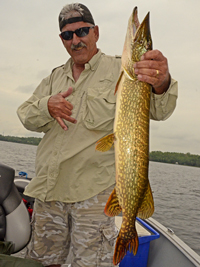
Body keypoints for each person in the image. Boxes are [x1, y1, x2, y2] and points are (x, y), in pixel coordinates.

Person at [17, 3, 178, 267]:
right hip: (49, 192)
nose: (76, 39)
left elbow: (161, 109)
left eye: (82, 31)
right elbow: (25, 115)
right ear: (62, 40)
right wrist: (46, 106)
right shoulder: (54, 77)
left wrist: (162, 81)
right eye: (68, 35)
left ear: (96, 32)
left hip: (92, 196)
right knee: (43, 263)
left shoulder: (127, 72)